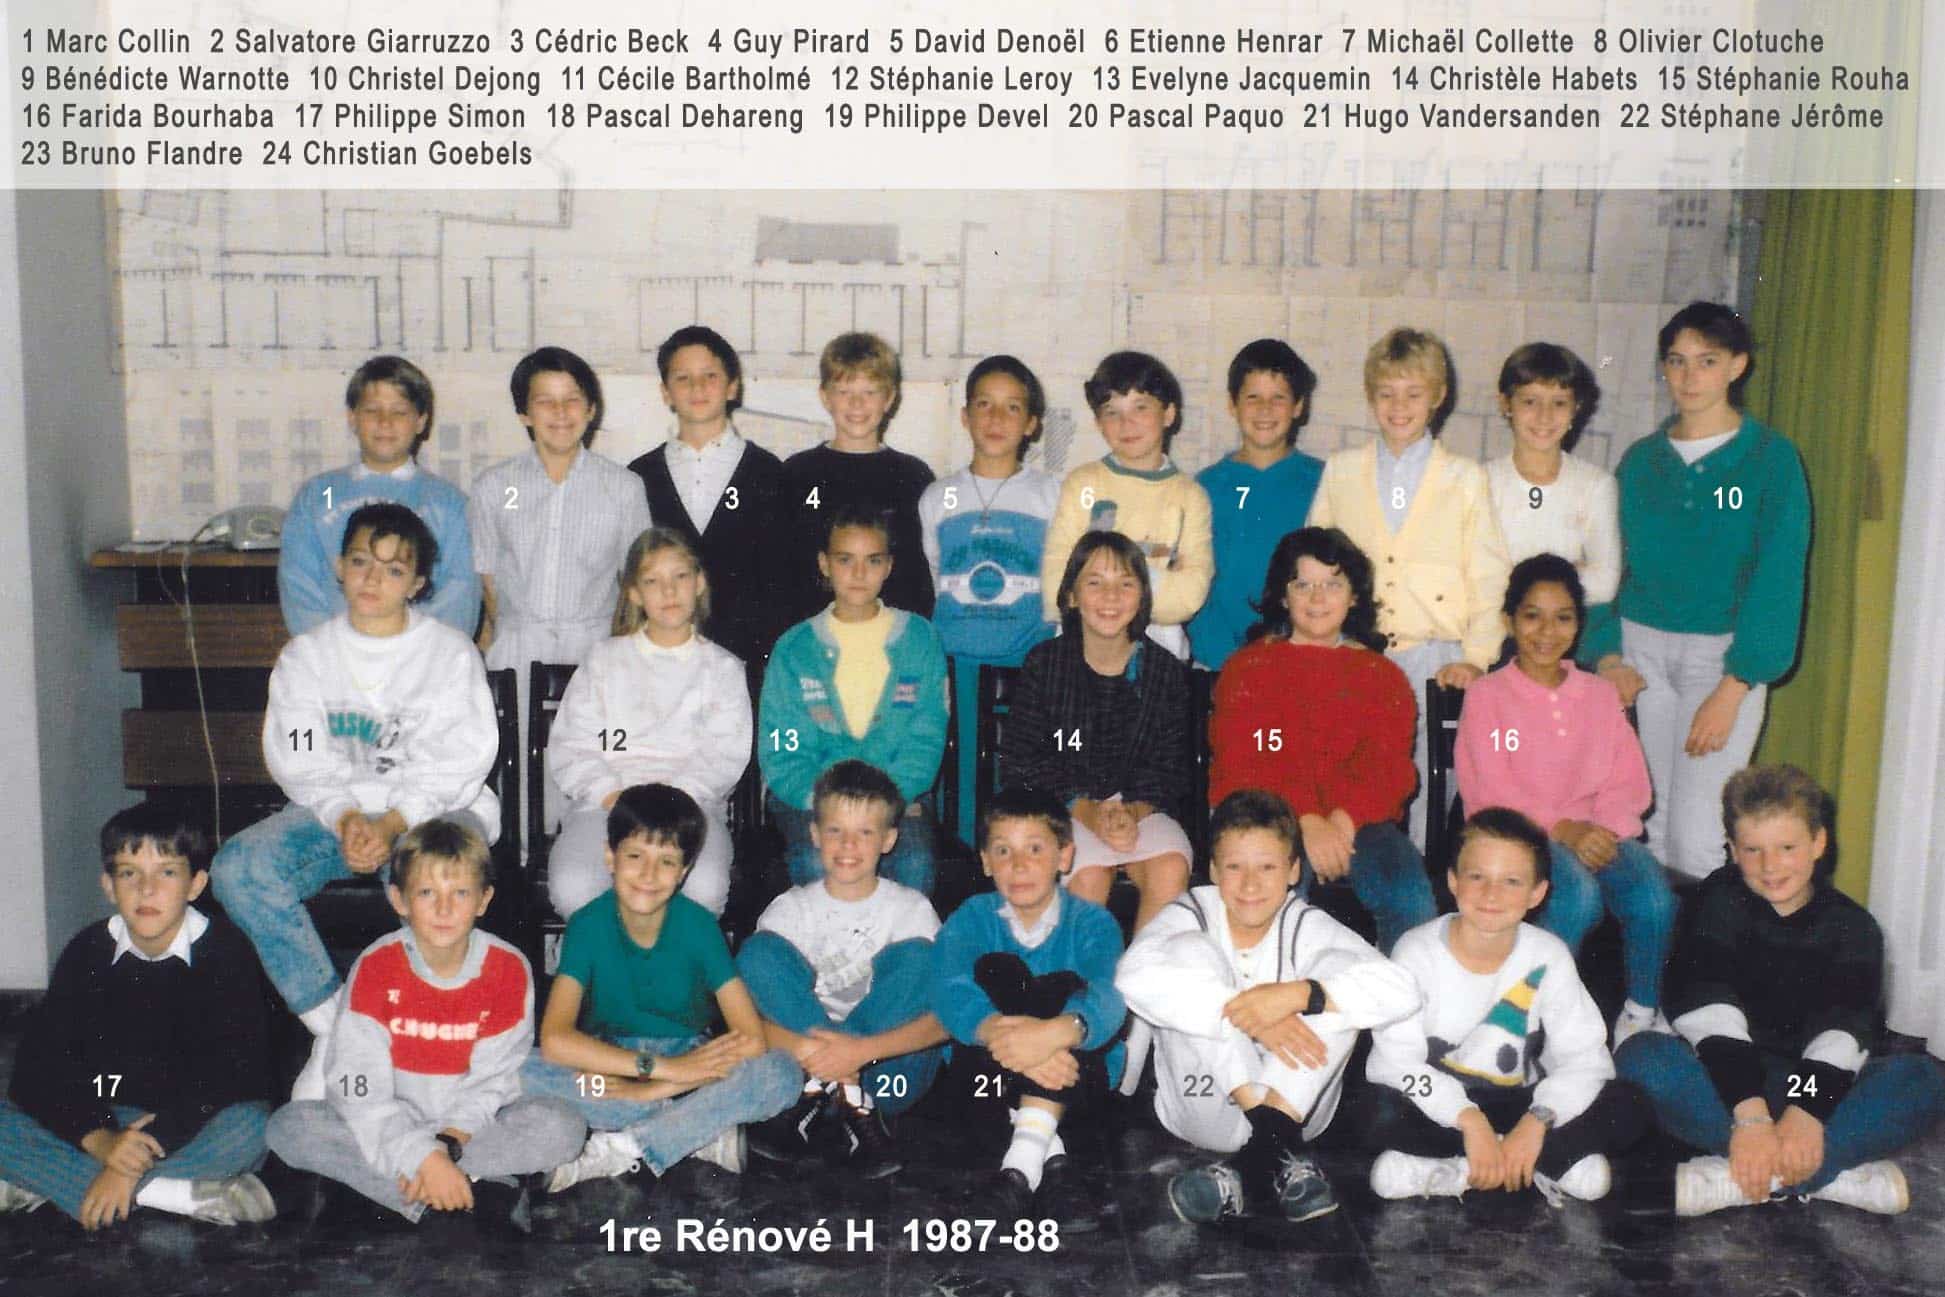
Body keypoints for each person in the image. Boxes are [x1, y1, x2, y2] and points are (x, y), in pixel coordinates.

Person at [212, 502, 499, 1102]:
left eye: (394, 570)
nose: (373, 579)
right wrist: (345, 817)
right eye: (362, 561)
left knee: (436, 874)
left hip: (433, 810)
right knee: (239, 867)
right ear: (340, 566)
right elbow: (299, 754)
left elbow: (459, 757)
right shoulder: (306, 657)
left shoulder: (449, 653)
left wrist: (394, 822)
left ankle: (428, 1043)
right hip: (333, 813)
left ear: (417, 582)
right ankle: (340, 1028)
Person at [1616, 765, 1945, 1216]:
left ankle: (1743, 1177)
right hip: (1724, 1077)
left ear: (1818, 843)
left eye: (1787, 848)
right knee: (1641, 1056)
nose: (1770, 866)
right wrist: (1750, 1117)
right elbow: (1706, 1006)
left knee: (1922, 1078)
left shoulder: (1854, 927)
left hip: (1808, 1081)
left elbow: (1843, 1028)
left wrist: (1805, 1111)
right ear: (1733, 850)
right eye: (1753, 850)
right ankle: (1824, 1174)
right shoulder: (1715, 900)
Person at [1581, 303, 1812, 880]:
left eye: (1707, 361)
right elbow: (1605, 566)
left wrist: (1735, 687)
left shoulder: (1771, 461)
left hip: (1721, 662)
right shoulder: (1641, 462)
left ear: (1737, 366)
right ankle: (1658, 940)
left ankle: (1706, 942)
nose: (1689, 377)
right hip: (1641, 654)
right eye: (1677, 361)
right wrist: (1607, 656)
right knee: (1647, 828)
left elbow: (1778, 577)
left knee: (1697, 838)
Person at [1117, 791, 1420, 1224]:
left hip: (1297, 1107)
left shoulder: (1303, 922)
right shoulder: (1192, 911)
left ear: (1294, 870)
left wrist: (1302, 995)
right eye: (1234, 867)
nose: (1250, 884)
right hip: (1203, 1105)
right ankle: (1276, 1151)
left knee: (1339, 975)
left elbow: (1402, 990)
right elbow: (1130, 977)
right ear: (1213, 871)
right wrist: (1248, 1016)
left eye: (1267, 867)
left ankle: (1254, 1161)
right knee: (1188, 954)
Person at [265, 819, 583, 1230]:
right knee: (290, 1127)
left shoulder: (508, 968)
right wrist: (417, 1152)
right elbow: (356, 1082)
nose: (444, 909)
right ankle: (468, 1193)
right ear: (399, 899)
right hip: (393, 1118)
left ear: (483, 900)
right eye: (427, 893)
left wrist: (445, 1145)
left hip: (470, 1131)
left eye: (460, 893)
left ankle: (418, 1187)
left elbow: (495, 1079)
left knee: (563, 1127)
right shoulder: (376, 966)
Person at [0, 804, 275, 1229]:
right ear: (109, 886)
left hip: (187, 1125)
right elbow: (41, 1068)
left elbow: (228, 1076)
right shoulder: (86, 951)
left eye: (167, 872)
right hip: (105, 1113)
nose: (147, 890)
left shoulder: (227, 953)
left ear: (195, 884)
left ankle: (58, 1184)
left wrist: (130, 1164)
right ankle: (176, 1196)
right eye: (129, 873)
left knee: (254, 1127)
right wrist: (103, 1142)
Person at [1358, 809, 1650, 1205]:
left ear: (1537, 893)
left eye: (1511, 881)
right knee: (1374, 1110)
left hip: (1520, 1103)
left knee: (1629, 1104)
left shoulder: (1548, 955)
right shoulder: (1416, 951)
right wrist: (1468, 1119)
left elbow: (1586, 1059)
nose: (1491, 894)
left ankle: (1468, 1166)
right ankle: (1541, 1164)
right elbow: (1395, 1063)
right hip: (1443, 1108)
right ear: (1453, 881)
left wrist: (1538, 1120)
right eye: (1477, 877)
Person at [522, 785, 802, 1192]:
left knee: (781, 1072)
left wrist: (658, 1087)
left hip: (694, 1070)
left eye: (667, 861)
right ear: (610, 857)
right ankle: (694, 1132)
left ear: (684, 871)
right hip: (608, 1071)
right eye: (635, 856)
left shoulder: (699, 926)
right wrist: (656, 1071)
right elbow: (555, 1040)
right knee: (519, 1068)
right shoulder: (586, 924)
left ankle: (625, 1146)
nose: (649, 875)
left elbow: (751, 1038)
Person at [1456, 554, 1677, 1047]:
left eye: (1563, 618)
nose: (1546, 632)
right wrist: (1561, 830)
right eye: (1532, 616)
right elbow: (1491, 787)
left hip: (1598, 829)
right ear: (1509, 620)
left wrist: (1603, 830)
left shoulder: (1598, 695)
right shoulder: (1489, 696)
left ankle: (1640, 1013)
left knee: (1653, 897)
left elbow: (1628, 779)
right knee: (1576, 895)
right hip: (1518, 835)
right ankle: (1529, 1019)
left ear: (1578, 626)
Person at [1308, 327, 1512, 847]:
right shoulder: (1341, 471)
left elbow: (1489, 577)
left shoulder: (1465, 479)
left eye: (1413, 394)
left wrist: (1476, 657)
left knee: (1428, 797)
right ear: (1370, 397)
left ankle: (1422, 883)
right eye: (1387, 394)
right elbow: (1315, 565)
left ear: (1437, 397)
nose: (1399, 407)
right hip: (1357, 656)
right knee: (1349, 784)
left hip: (1436, 659)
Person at [1207, 527, 1432, 952]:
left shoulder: (1382, 676)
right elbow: (1249, 756)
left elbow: (1388, 767)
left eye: (1332, 585)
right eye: (1302, 585)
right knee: (1275, 893)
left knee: (1409, 895)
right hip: (1267, 815)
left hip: (1359, 822)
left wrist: (1342, 822)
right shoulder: (1250, 669)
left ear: (1354, 597)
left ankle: (1396, 994)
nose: (1317, 598)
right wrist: (1307, 821)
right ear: (1282, 595)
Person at [470, 345, 653, 849]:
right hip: (516, 646)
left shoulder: (623, 487)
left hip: (594, 649)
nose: (560, 413)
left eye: (572, 399)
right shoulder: (494, 487)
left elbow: (637, 584)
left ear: (591, 409)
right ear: (524, 413)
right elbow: (489, 582)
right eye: (545, 401)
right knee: (517, 787)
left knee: (588, 780)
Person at [736, 761, 946, 1177]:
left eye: (865, 832)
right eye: (835, 830)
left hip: (885, 1072)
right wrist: (813, 1054)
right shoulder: (790, 909)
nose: (848, 844)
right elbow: (748, 1019)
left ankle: (828, 1092)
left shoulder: (912, 909)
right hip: (804, 1065)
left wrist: (856, 1052)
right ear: (815, 834)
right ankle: (850, 1102)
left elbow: (943, 1022)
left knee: (923, 959)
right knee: (756, 955)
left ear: (889, 839)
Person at [932, 787, 1127, 1228]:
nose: (1019, 865)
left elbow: (1109, 994)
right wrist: (1000, 1032)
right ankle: (1050, 1159)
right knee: (997, 969)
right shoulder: (972, 916)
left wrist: (1056, 1033)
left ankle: (1019, 1168)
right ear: (985, 861)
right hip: (990, 1072)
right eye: (1004, 851)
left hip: (1078, 1071)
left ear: (1065, 856)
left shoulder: (1093, 922)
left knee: (1062, 986)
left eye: (1035, 849)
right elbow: (947, 985)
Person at [546, 527, 751, 919]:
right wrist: (614, 797)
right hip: (608, 803)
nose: (668, 591)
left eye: (680, 577)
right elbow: (574, 745)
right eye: (653, 581)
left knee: (704, 888)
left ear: (699, 583)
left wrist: (671, 804)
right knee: (574, 886)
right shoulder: (604, 660)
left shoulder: (722, 668)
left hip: (691, 807)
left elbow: (724, 755)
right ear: (635, 594)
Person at [1003, 531, 1194, 932]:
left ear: (1142, 597)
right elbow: (1024, 761)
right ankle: (1082, 971)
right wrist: (1086, 810)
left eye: (1125, 584)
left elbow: (1170, 766)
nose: (1111, 597)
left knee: (1170, 867)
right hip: (1064, 808)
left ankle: (1142, 972)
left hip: (1141, 810)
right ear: (1072, 596)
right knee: (1088, 874)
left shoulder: (1165, 671)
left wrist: (1131, 812)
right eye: (1095, 582)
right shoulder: (1044, 664)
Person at [758, 505, 948, 895]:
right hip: (810, 796)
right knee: (818, 863)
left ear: (888, 566)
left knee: (913, 864)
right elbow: (781, 745)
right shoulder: (795, 648)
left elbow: (925, 738)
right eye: (845, 560)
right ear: (824, 564)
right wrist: (827, 804)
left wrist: (888, 800)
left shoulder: (919, 639)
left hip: (896, 794)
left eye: (872, 560)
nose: (859, 574)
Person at [919, 355, 1062, 842]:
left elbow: (1060, 580)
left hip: (1028, 662)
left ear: (1032, 423)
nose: (997, 418)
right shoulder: (938, 497)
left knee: (1019, 785)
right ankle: (965, 865)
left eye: (1012, 407)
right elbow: (936, 571)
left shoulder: (1051, 495)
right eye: (984, 405)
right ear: (965, 416)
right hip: (956, 662)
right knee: (961, 784)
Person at [279, 354, 479, 637]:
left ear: (421, 421)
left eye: (399, 412)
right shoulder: (321, 495)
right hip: (334, 653)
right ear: (352, 417)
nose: (385, 422)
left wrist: (417, 652)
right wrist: (331, 649)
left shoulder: (448, 503)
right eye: (372, 410)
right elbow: (299, 586)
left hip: (421, 656)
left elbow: (459, 594)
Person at [628, 325, 790, 664]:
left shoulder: (771, 474)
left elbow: (784, 585)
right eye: (683, 378)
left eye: (710, 376)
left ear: (733, 386)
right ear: (665, 392)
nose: (697, 387)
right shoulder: (638, 477)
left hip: (750, 662)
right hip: (660, 662)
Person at [1042, 350, 1214, 659]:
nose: (1126, 423)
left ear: (1168, 414)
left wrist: (1096, 584)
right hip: (1082, 643)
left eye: (1141, 407)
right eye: (1112, 412)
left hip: (1160, 648)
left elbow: (1190, 595)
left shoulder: (1190, 496)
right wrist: (1155, 579)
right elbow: (1057, 581)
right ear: (1098, 422)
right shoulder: (1083, 484)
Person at [777, 331, 935, 624]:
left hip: (891, 635)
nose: (857, 404)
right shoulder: (797, 473)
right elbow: (783, 570)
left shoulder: (914, 476)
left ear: (889, 398)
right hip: (814, 636)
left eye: (870, 392)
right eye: (844, 392)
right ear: (825, 397)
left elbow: (918, 576)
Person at [1189, 339, 1325, 670]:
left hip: (1304, 659)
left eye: (1278, 398)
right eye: (1253, 397)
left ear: (1298, 406)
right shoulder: (1205, 487)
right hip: (1220, 662)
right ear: (1232, 404)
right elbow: (1194, 580)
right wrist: (1226, 657)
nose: (1265, 409)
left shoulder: (1325, 482)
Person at [1483, 343, 1621, 604]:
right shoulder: (1480, 482)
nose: (1544, 416)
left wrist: (1509, 575)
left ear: (1576, 408)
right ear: (1505, 403)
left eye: (1559, 403)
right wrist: (1570, 573)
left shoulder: (1596, 485)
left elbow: (1605, 584)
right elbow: (1475, 579)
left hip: (1562, 629)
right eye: (1530, 401)